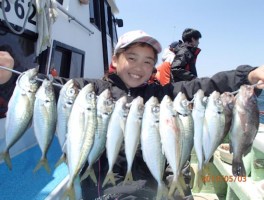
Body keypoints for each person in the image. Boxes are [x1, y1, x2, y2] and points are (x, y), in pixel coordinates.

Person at [1, 30, 264, 199]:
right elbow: (49, 90)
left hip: (152, 181)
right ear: (115, 60)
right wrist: (11, 75)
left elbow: (204, 85)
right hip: (107, 188)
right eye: (132, 58)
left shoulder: (159, 95)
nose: (140, 67)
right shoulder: (92, 90)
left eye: (148, 62)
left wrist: (248, 74)